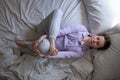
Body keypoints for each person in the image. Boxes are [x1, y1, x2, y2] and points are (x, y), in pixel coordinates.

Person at [16, 9, 111, 58]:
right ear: (96, 35)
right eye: (97, 38)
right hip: (46, 31)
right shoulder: (81, 29)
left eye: (97, 44)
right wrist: (43, 37)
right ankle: (41, 42)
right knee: (58, 12)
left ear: (96, 48)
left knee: (44, 46)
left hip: (46, 45)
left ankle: (29, 45)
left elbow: (59, 55)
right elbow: (62, 31)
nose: (95, 41)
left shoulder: (80, 52)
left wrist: (43, 55)